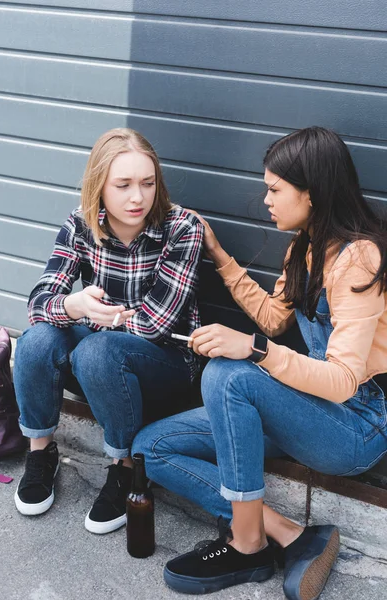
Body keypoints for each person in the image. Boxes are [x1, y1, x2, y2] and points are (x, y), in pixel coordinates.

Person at [133, 127, 387, 599]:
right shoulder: (304, 250)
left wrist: (250, 351)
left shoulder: (359, 260)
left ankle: (248, 545)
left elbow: (343, 381)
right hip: (302, 408)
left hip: (354, 426)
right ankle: (286, 531)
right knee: (151, 447)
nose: (266, 199)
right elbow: (272, 320)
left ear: (311, 193)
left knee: (230, 373)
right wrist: (219, 255)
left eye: (275, 189)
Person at [13, 128, 204, 535]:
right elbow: (38, 303)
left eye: (147, 183)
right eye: (124, 185)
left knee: (96, 349)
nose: (138, 197)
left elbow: (157, 322)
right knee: (36, 341)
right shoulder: (81, 225)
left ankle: (126, 469)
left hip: (165, 365)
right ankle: (41, 453)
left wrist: (98, 316)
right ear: (100, 185)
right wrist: (72, 305)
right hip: (98, 365)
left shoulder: (182, 227)